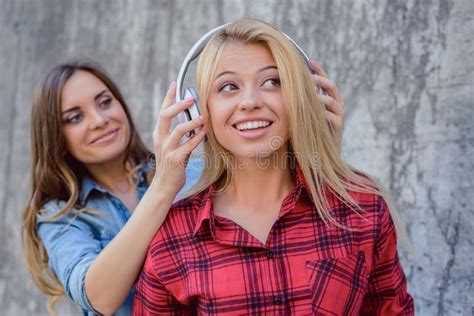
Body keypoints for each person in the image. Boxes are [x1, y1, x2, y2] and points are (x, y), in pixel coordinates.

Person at [133, 18, 414, 315]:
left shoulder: (362, 205)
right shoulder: (173, 237)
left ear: (303, 98)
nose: (250, 101)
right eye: (228, 87)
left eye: (272, 82)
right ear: (198, 111)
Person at [21, 56, 342, 314]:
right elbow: (100, 297)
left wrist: (322, 144)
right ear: (55, 136)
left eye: (105, 102)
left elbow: (274, 192)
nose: (99, 119)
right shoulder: (59, 216)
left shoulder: (195, 170)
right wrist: (163, 188)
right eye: (74, 117)